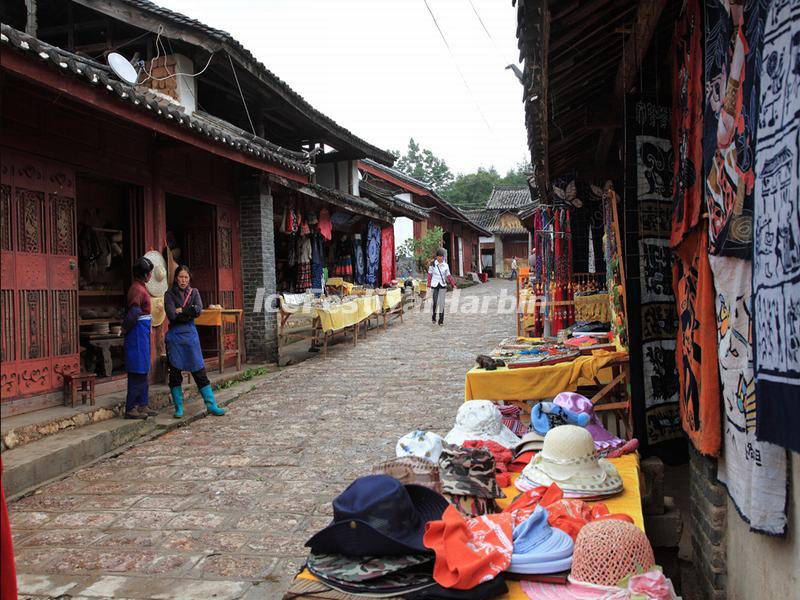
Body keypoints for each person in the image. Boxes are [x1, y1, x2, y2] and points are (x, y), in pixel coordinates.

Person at [165, 265, 226, 418]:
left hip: (191, 336)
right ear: (176, 278)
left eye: (186, 277)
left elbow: (198, 310)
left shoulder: (195, 292)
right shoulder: (169, 294)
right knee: (175, 374)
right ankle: (178, 408)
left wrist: (183, 311)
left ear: (189, 278)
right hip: (175, 338)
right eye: (180, 277)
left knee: (199, 371)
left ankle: (212, 405)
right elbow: (172, 315)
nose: (183, 280)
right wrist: (189, 311)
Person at [122, 256, 157, 419]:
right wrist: (124, 329)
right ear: (145, 274)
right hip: (136, 333)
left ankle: (143, 404)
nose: (150, 276)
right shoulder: (136, 289)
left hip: (142, 332)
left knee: (143, 369)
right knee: (137, 369)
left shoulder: (140, 287)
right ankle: (131, 407)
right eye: (149, 273)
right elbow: (134, 312)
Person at [427, 248, 457, 326]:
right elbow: (429, 275)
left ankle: (441, 320)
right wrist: (428, 285)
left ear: (443, 257)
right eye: (439, 256)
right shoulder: (432, 264)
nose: (441, 258)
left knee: (441, 303)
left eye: (442, 256)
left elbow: (449, 276)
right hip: (434, 285)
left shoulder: (446, 265)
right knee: (435, 302)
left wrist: (453, 284)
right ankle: (434, 316)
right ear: (436, 257)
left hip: (442, 285)